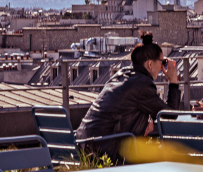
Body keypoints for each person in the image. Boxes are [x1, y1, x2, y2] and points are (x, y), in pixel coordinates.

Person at [75, 33, 181, 161]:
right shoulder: (141, 84)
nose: (162, 67)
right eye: (162, 62)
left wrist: (145, 121)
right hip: (103, 150)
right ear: (150, 64)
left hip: (84, 144)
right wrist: (173, 81)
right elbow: (170, 115)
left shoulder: (121, 75)